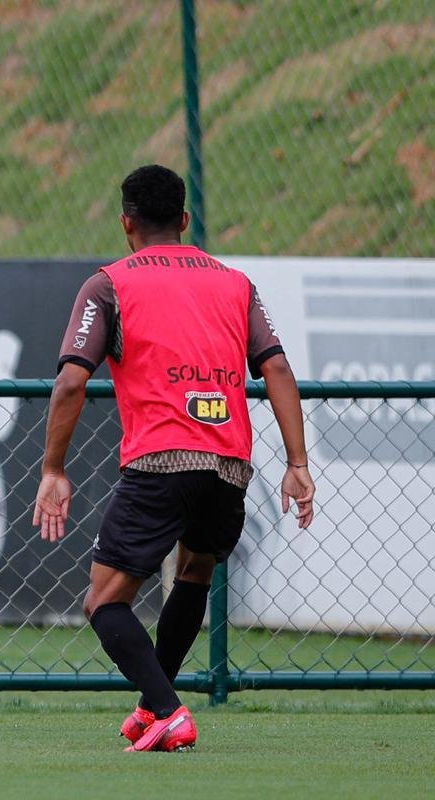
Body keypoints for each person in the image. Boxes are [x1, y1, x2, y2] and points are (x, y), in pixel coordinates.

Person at [32, 164, 315, 752]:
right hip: (229, 465)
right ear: (185, 220)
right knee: (193, 573)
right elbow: (278, 369)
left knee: (104, 601)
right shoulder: (236, 283)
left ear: (126, 223)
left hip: (161, 462)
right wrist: (298, 464)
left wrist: (54, 469)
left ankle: (168, 710)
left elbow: (69, 384)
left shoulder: (109, 284)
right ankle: (149, 708)